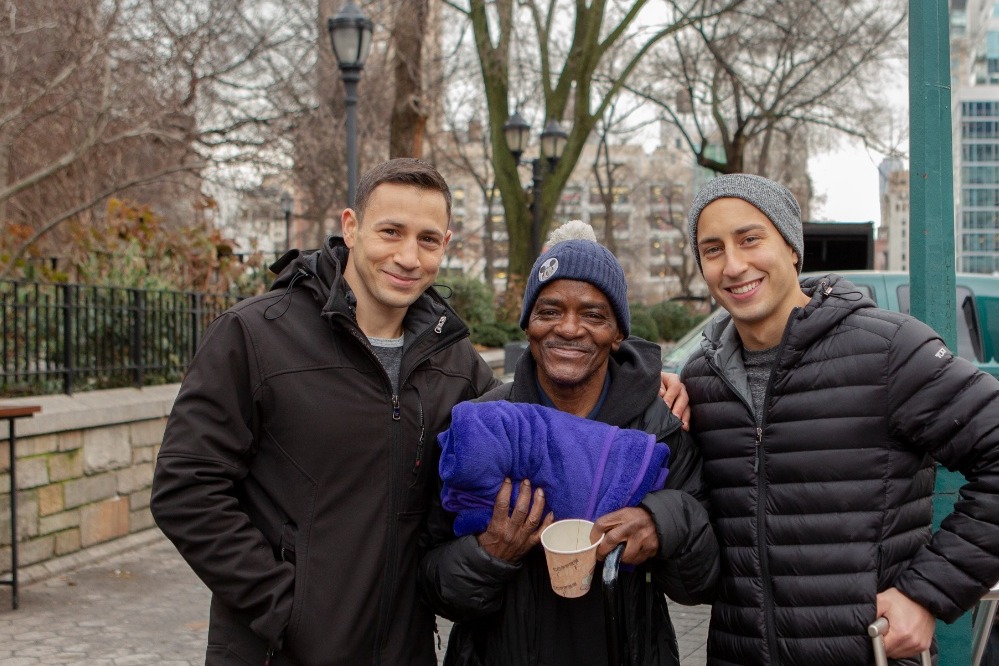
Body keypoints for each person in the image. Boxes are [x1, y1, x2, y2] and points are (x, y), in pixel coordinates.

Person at [150, 159, 504, 665]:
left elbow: (528, 420)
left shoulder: (456, 361)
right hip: (278, 651)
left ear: (445, 245)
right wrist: (285, 607)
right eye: (390, 232)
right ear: (351, 227)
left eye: (427, 240)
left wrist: (647, 388)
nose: (408, 256)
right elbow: (185, 489)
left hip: (403, 651)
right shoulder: (254, 335)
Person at [682, 173, 999, 665]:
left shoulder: (887, 349)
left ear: (791, 247)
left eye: (749, 239)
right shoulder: (701, 378)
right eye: (712, 249)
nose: (734, 264)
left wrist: (925, 593)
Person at [419, 221, 719, 665]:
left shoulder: (658, 430)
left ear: (618, 334)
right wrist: (490, 555)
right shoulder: (486, 426)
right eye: (550, 311)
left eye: (594, 315)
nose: (570, 328)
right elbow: (432, 585)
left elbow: (702, 581)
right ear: (528, 326)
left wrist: (662, 522)